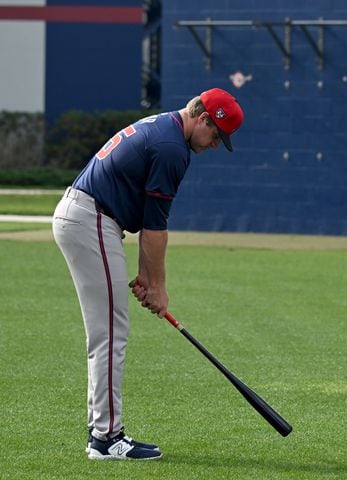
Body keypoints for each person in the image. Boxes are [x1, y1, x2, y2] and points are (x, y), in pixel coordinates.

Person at [52, 88, 244, 460]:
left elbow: (147, 224)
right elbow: (155, 228)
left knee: (109, 330)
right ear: (204, 119)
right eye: (217, 136)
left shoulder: (166, 127)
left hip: (89, 217)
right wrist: (156, 287)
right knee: (110, 331)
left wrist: (147, 278)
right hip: (90, 220)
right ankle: (106, 438)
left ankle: (102, 432)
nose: (216, 145)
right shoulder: (173, 149)